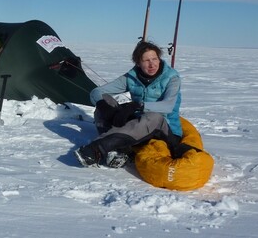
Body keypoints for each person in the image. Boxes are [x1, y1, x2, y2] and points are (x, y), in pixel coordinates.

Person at [75, 40, 183, 168]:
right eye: (146, 60)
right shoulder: (132, 77)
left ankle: (96, 150)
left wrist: (138, 106)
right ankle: (119, 150)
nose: (152, 64)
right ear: (138, 63)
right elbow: (96, 92)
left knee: (154, 117)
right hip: (139, 125)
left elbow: (168, 106)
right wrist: (108, 109)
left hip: (165, 130)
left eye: (155, 59)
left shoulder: (172, 78)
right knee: (104, 103)